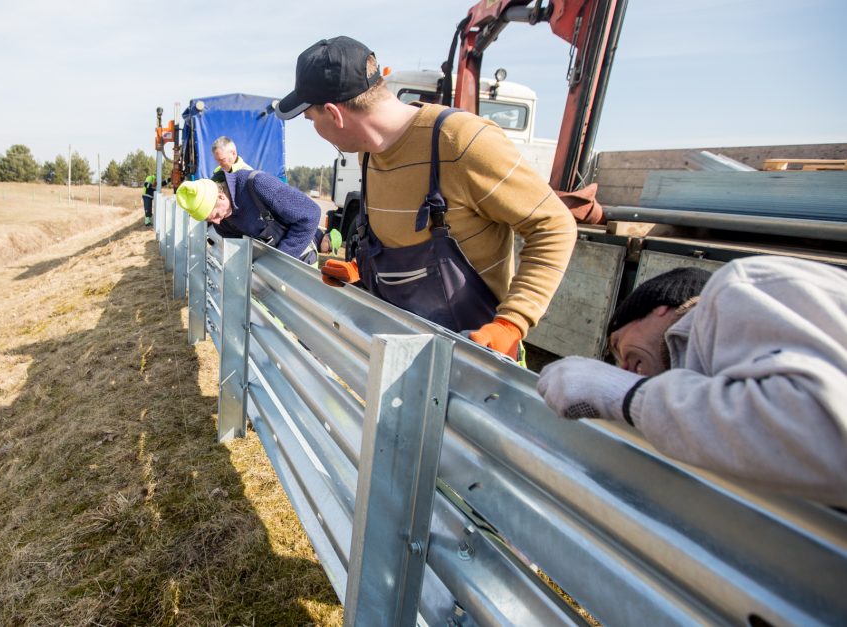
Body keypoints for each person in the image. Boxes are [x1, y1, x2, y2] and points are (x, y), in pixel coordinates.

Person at [275, 36, 576, 359]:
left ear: (335, 114)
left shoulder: (459, 141)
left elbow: (554, 226)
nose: (314, 130)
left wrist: (511, 323)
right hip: (407, 358)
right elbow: (399, 242)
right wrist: (364, 273)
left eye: (311, 120)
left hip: (477, 364)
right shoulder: (371, 156)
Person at [536, 256, 847, 505]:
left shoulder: (732, 291)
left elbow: (822, 429)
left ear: (660, 308)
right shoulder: (715, 372)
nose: (624, 367)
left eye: (618, 344)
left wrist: (628, 395)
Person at [176, 169, 320, 263]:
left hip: (302, 260)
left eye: (216, 215)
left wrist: (279, 261)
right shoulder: (224, 222)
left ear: (220, 196)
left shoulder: (257, 185)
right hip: (270, 268)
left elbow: (311, 214)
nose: (217, 222)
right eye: (210, 220)